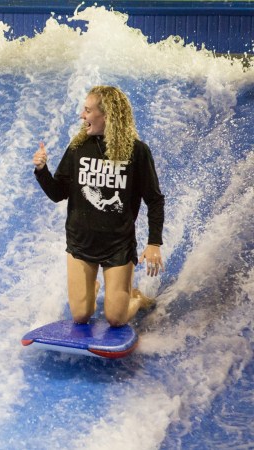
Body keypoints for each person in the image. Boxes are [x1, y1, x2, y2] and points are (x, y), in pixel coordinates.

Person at [32, 85, 165, 327]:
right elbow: (58, 193)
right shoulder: (78, 149)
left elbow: (154, 199)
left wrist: (154, 243)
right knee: (81, 316)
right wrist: (42, 171)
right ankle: (92, 286)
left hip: (117, 246)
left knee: (116, 318)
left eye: (88, 110)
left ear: (107, 115)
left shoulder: (137, 152)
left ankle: (134, 298)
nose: (82, 116)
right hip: (81, 243)